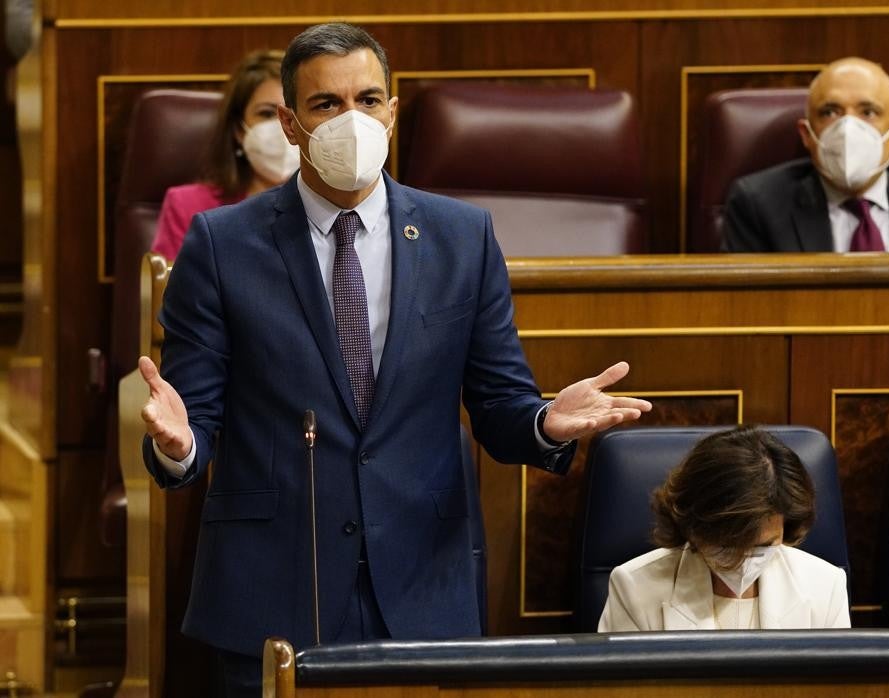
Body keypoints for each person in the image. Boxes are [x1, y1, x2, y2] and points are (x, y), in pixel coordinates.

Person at [137, 23, 652, 695]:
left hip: (422, 582)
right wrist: (178, 446)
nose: (352, 119)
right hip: (275, 584)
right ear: (291, 125)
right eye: (326, 105)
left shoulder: (461, 236)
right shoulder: (222, 243)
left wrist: (544, 423)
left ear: (393, 111)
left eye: (369, 99)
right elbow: (194, 422)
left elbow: (499, 403)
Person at [722, 57, 889, 253]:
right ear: (806, 134)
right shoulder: (758, 205)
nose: (848, 128)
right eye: (830, 112)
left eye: (868, 112)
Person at [598, 426, 850, 631]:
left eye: (763, 545)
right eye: (728, 545)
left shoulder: (825, 587)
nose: (743, 560)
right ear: (693, 527)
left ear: (786, 527)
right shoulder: (634, 587)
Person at [151, 49, 300, 260]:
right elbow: (171, 290)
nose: (282, 127)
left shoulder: (329, 206)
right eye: (266, 114)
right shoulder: (187, 206)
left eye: (292, 115)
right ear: (238, 131)